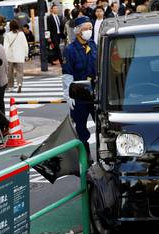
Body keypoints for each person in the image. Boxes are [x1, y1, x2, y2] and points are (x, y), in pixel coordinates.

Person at [62, 16, 97, 157]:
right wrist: (68, 94)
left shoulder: (94, 45)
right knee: (80, 129)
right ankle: (85, 158)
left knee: (102, 126)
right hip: (79, 93)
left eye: (90, 28)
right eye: (85, 29)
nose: (88, 31)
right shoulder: (70, 50)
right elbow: (67, 74)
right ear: (77, 31)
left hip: (95, 93)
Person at [4, 20, 28, 93]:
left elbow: (5, 46)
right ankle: (19, 84)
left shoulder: (7, 35)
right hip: (20, 56)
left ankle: (10, 87)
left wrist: (4, 55)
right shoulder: (21, 34)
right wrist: (26, 54)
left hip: (10, 56)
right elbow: (25, 45)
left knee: (10, 72)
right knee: (20, 72)